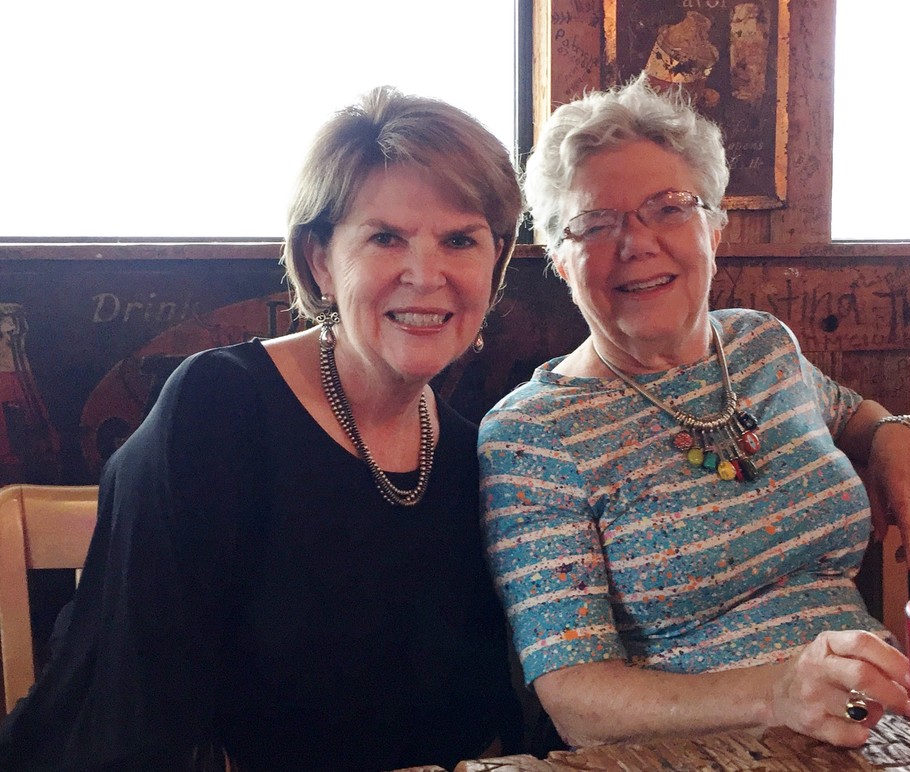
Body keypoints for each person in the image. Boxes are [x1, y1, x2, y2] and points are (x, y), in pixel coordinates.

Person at [0, 85, 524, 771]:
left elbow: (472, 714)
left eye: (460, 240)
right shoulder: (218, 408)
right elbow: (137, 710)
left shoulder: (469, 453)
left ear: (495, 260)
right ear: (320, 261)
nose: (426, 275)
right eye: (385, 237)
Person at [478, 76, 910, 750]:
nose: (636, 242)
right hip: (699, 753)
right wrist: (780, 693)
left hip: (874, 725)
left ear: (715, 228)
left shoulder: (761, 345)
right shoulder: (532, 434)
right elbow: (576, 700)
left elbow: (851, 415)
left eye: (668, 208)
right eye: (595, 224)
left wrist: (895, 432)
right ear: (559, 260)